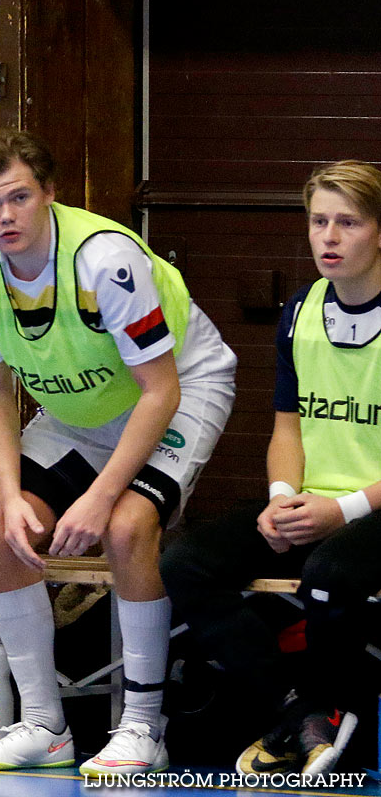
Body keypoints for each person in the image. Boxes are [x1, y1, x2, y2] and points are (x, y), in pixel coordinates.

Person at [0, 132, 236, 777]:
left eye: (20, 198)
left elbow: (160, 390)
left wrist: (101, 495)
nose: (7, 217)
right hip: (79, 409)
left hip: (175, 389)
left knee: (128, 526)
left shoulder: (105, 262)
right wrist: (11, 492)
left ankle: (142, 726)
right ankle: (45, 725)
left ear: (50, 194)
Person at [162, 160, 381, 779]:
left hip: (370, 509)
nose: (329, 238)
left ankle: (335, 716)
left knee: (329, 572)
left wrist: (343, 509)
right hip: (315, 503)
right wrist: (282, 497)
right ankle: (295, 711)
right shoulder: (302, 309)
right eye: (318, 222)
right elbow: (287, 426)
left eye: (348, 223)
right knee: (185, 562)